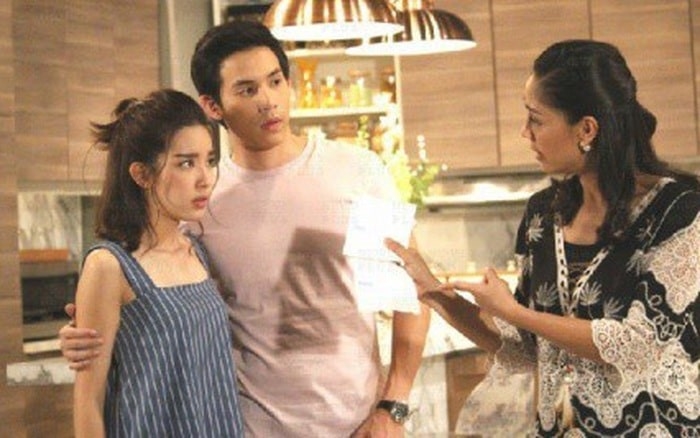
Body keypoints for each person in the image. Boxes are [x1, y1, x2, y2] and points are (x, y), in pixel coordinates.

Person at [62, 20, 430, 437]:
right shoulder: (202, 201)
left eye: (275, 81)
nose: (269, 101)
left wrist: (393, 405)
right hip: (248, 427)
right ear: (212, 106)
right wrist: (87, 331)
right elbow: (157, 287)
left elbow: (414, 292)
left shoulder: (357, 171)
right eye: (247, 90)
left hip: (358, 426)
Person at [386, 39, 700, 437]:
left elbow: (637, 345)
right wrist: (433, 292)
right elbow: (526, 349)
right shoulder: (543, 213)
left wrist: (514, 312)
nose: (525, 132)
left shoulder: (680, 212)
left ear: (586, 129)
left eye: (536, 119)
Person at [72, 89, 243, 437]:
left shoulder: (197, 252)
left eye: (209, 160)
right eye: (186, 163)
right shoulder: (109, 266)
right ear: (142, 174)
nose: (205, 178)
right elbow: (88, 400)